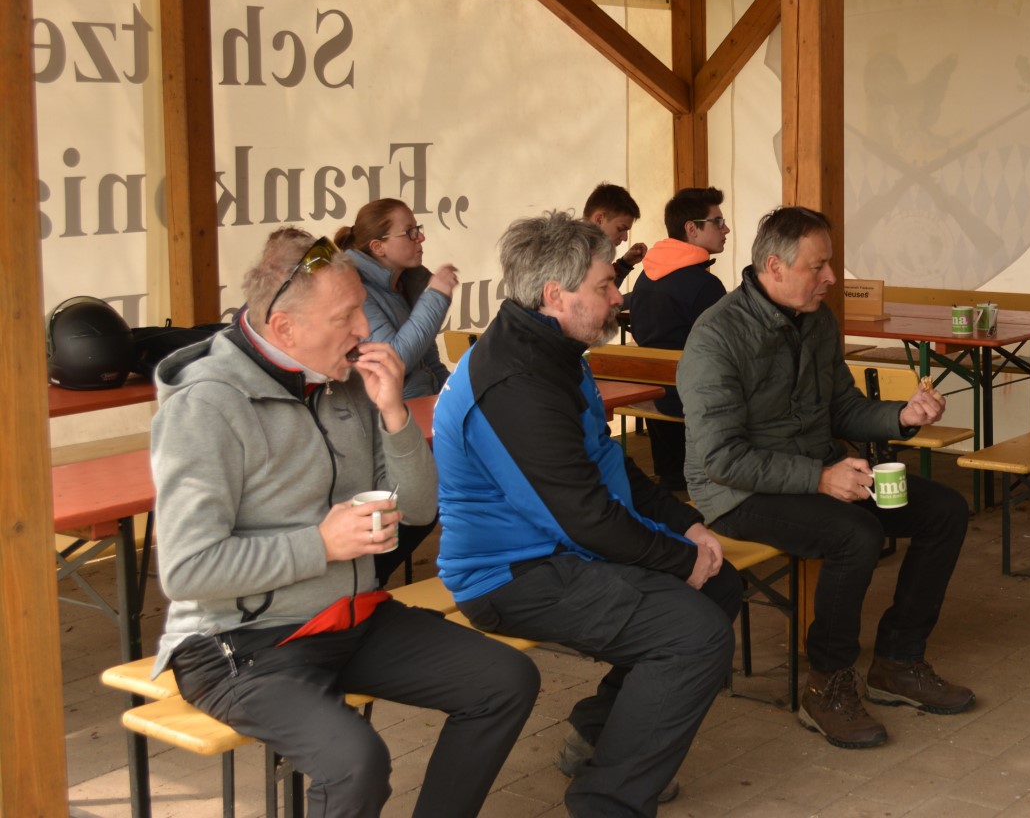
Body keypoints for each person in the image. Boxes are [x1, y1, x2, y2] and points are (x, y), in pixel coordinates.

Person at [149, 228, 538, 818]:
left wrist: (394, 414)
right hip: (240, 643)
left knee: (505, 679)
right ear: (285, 329)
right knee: (356, 763)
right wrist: (321, 544)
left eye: (361, 307)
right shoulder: (206, 405)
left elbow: (418, 509)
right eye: (346, 316)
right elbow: (187, 569)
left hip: (347, 618)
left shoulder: (345, 380)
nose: (365, 330)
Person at [433, 211, 741, 817]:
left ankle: (598, 736)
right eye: (605, 286)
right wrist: (679, 560)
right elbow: (585, 519)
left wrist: (685, 525)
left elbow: (608, 463)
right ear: (556, 296)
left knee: (719, 584)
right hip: (509, 575)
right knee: (695, 633)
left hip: (559, 548)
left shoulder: (553, 349)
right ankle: (608, 801)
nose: (619, 296)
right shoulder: (515, 381)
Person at [680, 205, 973, 749]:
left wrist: (903, 416)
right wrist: (819, 477)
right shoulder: (716, 336)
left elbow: (843, 409)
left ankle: (898, 661)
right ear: (775, 266)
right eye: (819, 266)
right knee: (855, 534)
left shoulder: (816, 320)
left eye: (830, 264)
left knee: (946, 510)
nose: (832, 277)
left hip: (815, 470)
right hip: (737, 493)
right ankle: (828, 685)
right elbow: (722, 459)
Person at [335, 197, 456, 583]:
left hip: (424, 410)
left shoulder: (406, 281)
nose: (421, 238)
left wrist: (454, 395)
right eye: (411, 232)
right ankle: (367, 579)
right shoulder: (356, 287)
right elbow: (394, 362)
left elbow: (429, 360)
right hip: (388, 419)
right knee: (429, 498)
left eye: (419, 229)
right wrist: (436, 298)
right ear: (378, 246)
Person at [626, 186, 729, 490]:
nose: (726, 229)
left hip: (654, 395)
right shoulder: (705, 285)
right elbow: (727, 348)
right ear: (692, 229)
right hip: (693, 403)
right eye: (718, 222)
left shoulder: (646, 276)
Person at [584, 182, 647, 286]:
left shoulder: (596, 253)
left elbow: (604, 290)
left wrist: (624, 264)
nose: (625, 238)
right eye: (620, 229)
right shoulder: (570, 259)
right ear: (599, 219)